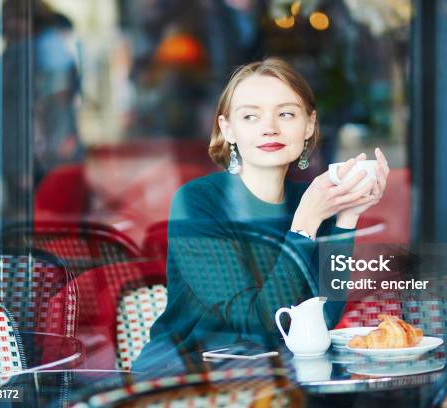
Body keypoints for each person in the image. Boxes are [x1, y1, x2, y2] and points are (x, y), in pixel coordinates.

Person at [133, 58, 389, 372]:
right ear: (228, 129)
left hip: (279, 376)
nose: (270, 128)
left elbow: (321, 319)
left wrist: (347, 218)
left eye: (286, 114)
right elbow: (256, 322)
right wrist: (305, 223)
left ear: (309, 125)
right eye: (251, 116)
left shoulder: (311, 201)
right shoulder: (199, 201)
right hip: (191, 378)